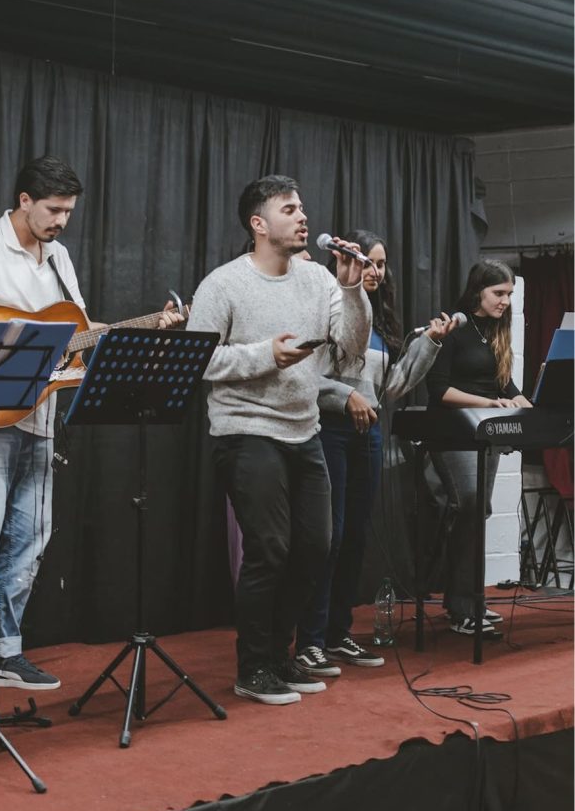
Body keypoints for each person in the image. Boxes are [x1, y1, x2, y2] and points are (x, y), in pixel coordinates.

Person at [0, 155, 179, 696]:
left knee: (29, 540)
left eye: (68, 211)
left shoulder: (59, 257)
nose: (62, 220)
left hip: (38, 415)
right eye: (54, 209)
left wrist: (145, 327)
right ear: (24, 201)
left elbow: (78, 333)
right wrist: (14, 344)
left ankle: (4, 652)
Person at [187, 175, 372, 705]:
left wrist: (353, 288)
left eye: (303, 207)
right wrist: (265, 354)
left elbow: (352, 347)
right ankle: (253, 668)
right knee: (270, 548)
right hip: (245, 429)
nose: (303, 217)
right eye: (289, 209)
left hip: (303, 428)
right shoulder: (222, 285)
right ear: (258, 224)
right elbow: (198, 360)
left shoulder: (318, 280)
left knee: (316, 546)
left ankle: (280, 656)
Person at [294, 229, 456, 677]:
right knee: (330, 535)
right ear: (347, 263)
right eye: (368, 262)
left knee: (356, 538)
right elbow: (305, 376)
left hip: (367, 436)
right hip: (328, 430)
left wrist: (432, 343)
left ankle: (336, 634)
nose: (375, 271)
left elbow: (395, 386)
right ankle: (309, 640)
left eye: (381, 265)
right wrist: (344, 396)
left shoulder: (381, 325)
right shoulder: (326, 310)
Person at [425, 259, 531, 636]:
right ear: (477, 293)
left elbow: (505, 386)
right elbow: (438, 389)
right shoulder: (455, 330)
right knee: (470, 504)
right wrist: (488, 405)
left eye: (509, 295)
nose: (505, 301)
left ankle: (468, 602)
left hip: (487, 436)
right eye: (498, 294)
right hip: (452, 435)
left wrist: (528, 405)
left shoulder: (497, 332)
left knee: (476, 514)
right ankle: (462, 605)